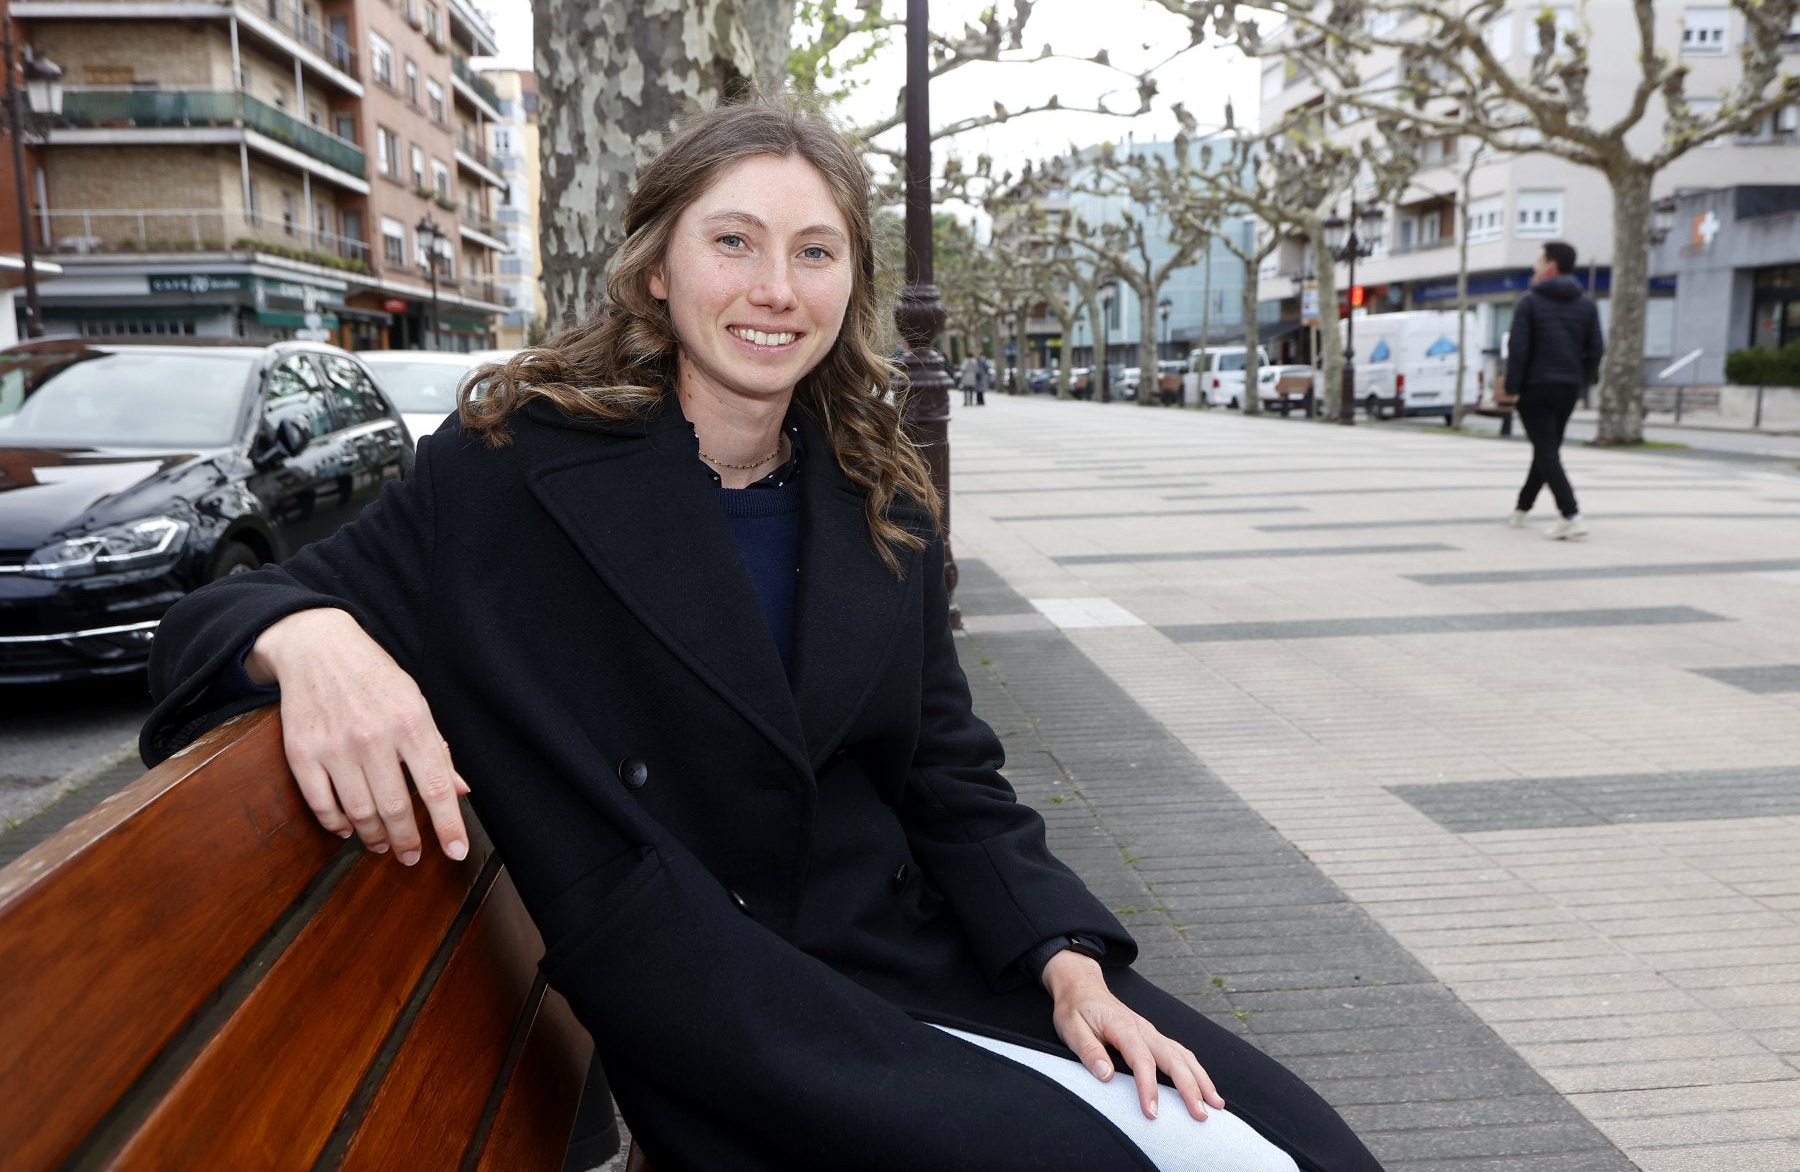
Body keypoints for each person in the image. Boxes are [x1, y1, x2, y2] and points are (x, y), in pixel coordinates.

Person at [139, 102, 1384, 1172]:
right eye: (734, 242)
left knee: (1301, 1142)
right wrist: (313, 638)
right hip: (721, 1011)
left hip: (930, 958)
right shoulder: (512, 477)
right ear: (658, 269)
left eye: (815, 251)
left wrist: (1064, 953)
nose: (776, 288)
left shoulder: (877, 495)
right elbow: (204, 628)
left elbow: (950, 772)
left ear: (851, 287)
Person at [1497, 241, 1603, 539]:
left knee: (1546, 450)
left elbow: (1518, 349)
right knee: (1547, 450)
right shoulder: (1587, 303)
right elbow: (1596, 349)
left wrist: (1513, 388)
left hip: (1535, 388)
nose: (1535, 266)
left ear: (1551, 266)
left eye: (1539, 261)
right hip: (1567, 388)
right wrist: (1580, 380)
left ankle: (1570, 514)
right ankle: (1522, 509)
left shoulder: (1529, 302)